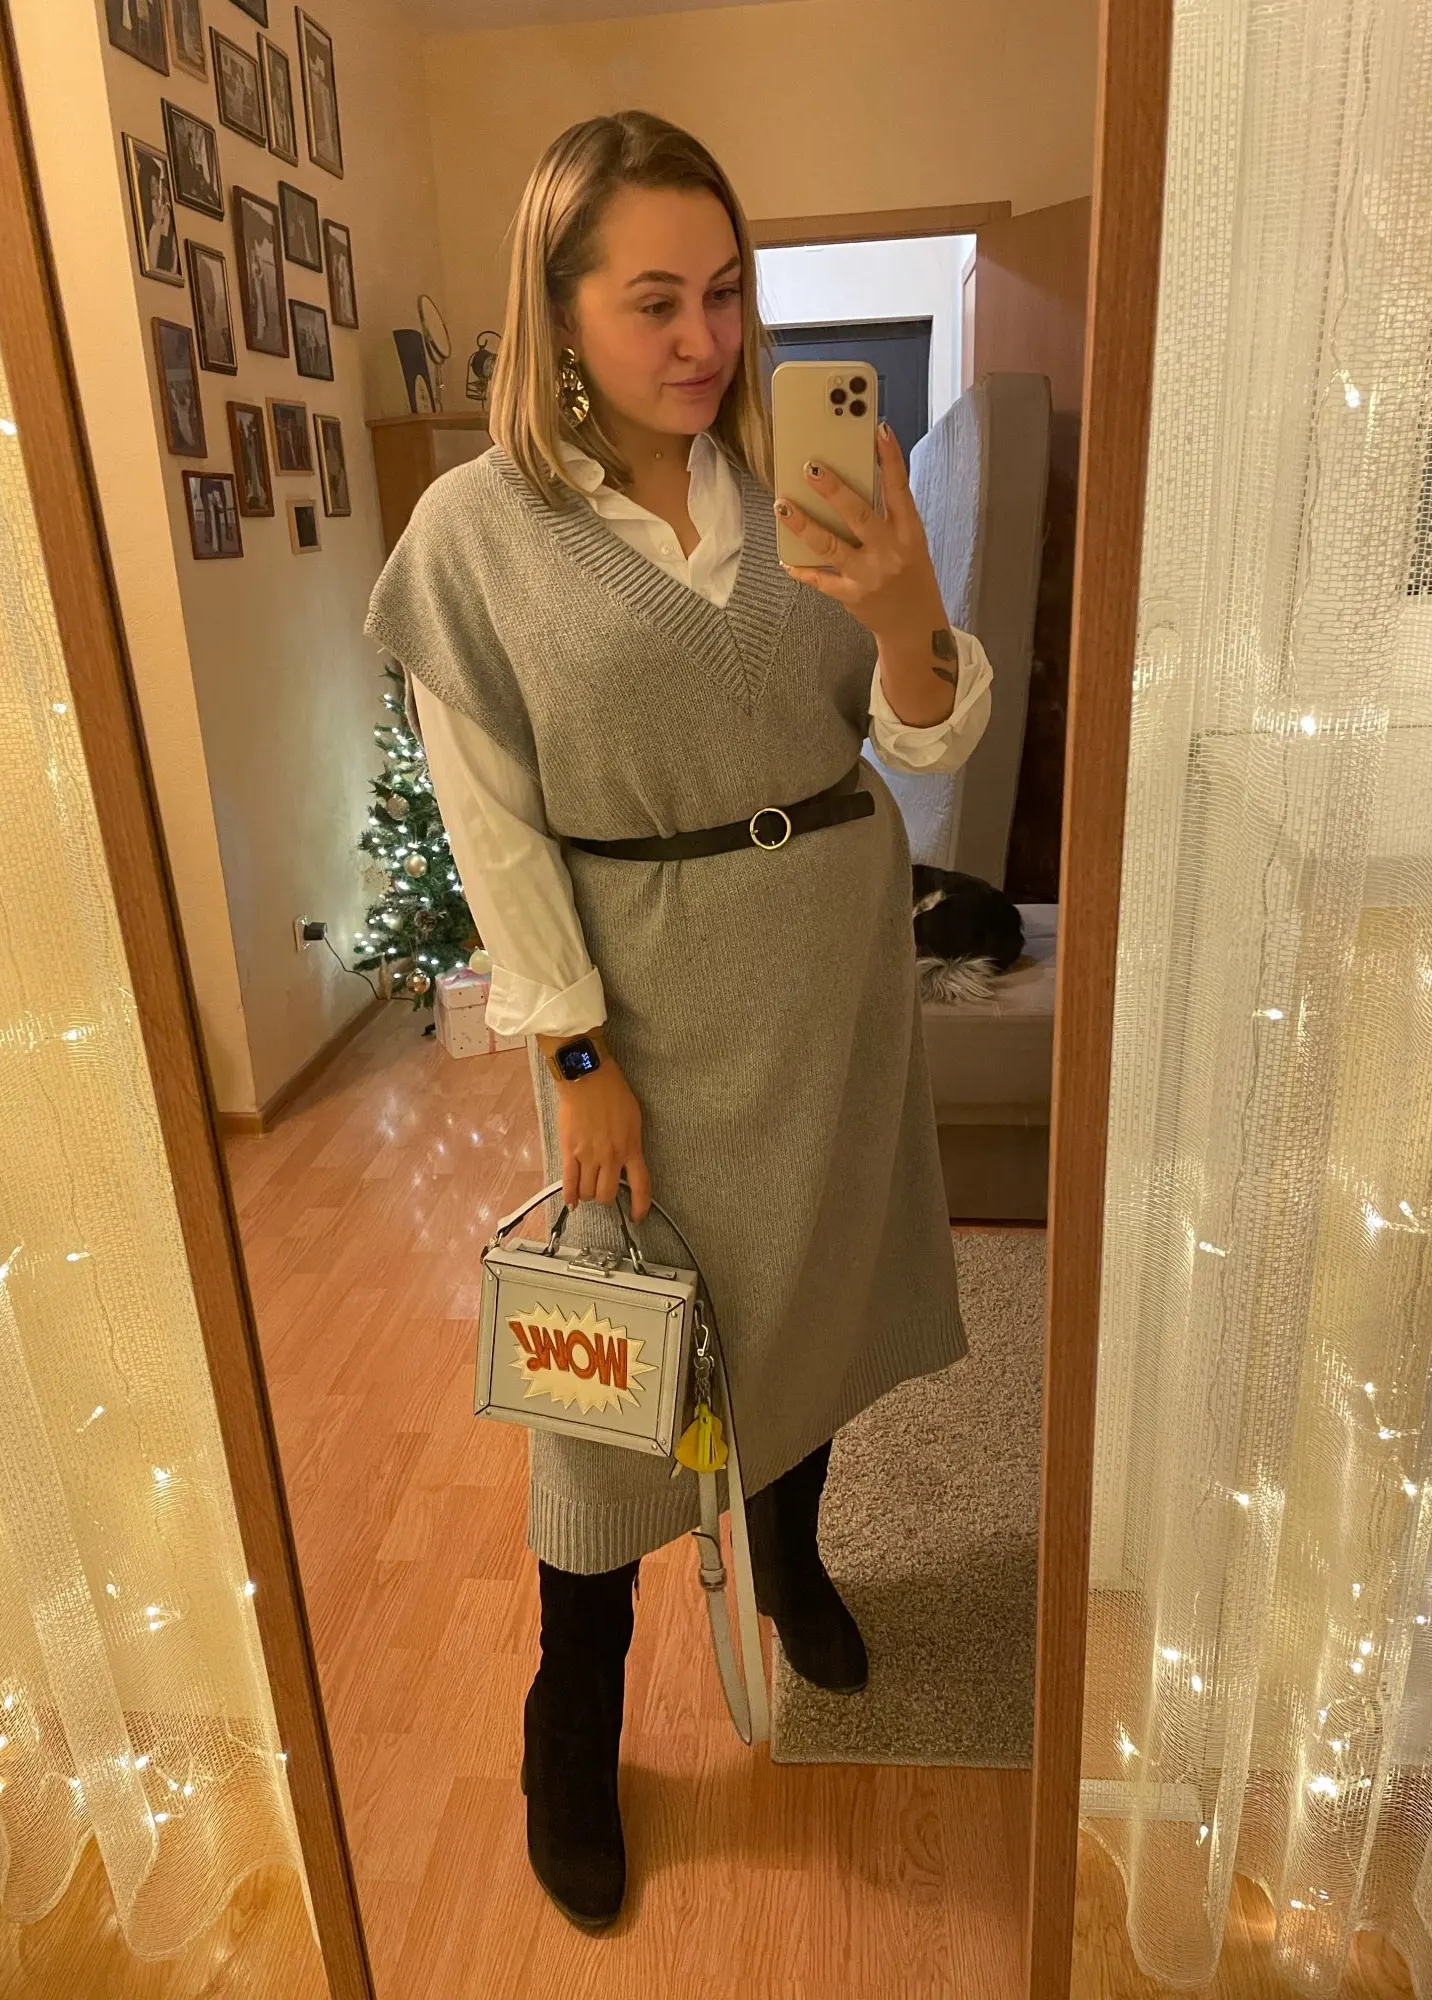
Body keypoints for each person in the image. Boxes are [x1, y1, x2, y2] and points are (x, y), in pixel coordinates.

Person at [365, 110, 993, 1932]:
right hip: (635, 996)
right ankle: (572, 1712)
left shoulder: (802, 487)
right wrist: (573, 1051)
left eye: (727, 291)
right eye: (655, 301)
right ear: (558, 310)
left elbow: (927, 738)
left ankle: (793, 1555)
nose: (707, 339)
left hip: (833, 973)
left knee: (813, 1292)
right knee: (610, 1373)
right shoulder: (477, 535)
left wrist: (909, 609)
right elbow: (488, 817)